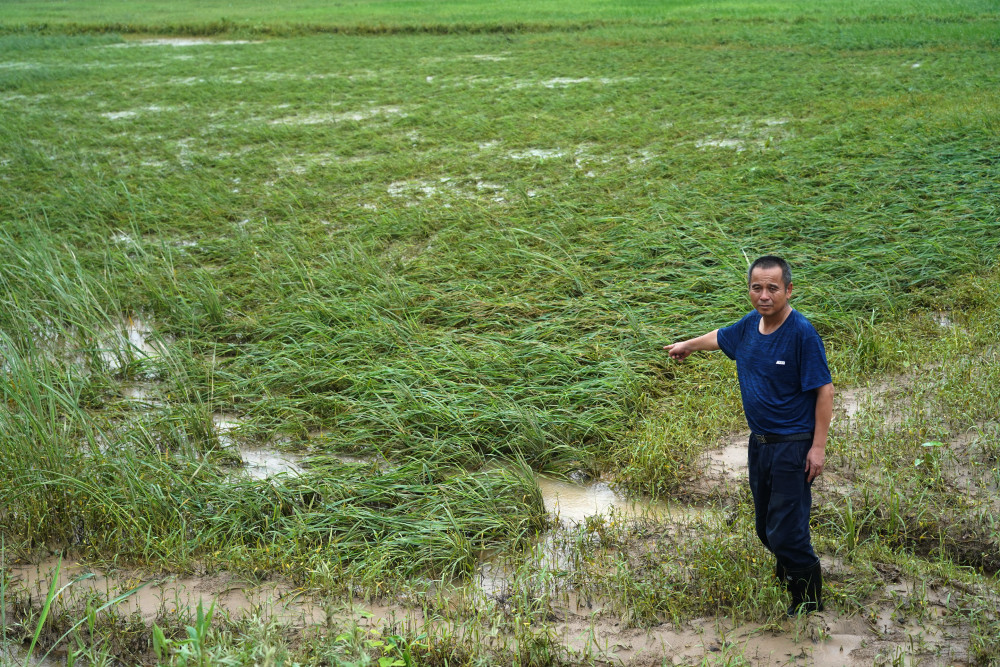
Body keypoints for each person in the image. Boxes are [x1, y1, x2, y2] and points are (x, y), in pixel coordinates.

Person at [664, 255, 834, 616]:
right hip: (760, 445)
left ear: (788, 290)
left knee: (787, 531)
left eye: (773, 288)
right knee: (764, 528)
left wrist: (817, 448)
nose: (764, 295)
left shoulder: (801, 333)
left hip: (792, 446)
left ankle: (809, 602)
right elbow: (720, 337)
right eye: (757, 287)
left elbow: (825, 390)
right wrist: (688, 346)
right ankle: (789, 572)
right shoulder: (750, 326)